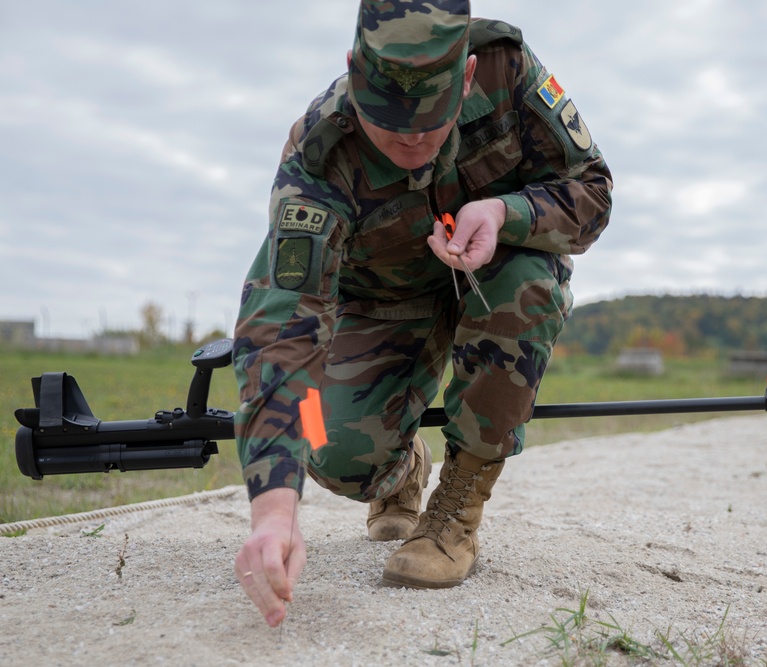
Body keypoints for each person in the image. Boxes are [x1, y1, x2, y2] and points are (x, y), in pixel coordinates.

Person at [232, 0, 612, 628]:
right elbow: (281, 329)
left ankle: (456, 508)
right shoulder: (320, 154)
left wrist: (502, 213)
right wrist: (274, 511)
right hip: (382, 305)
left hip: (493, 277)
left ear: (465, 77)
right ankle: (401, 469)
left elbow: (592, 193)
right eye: (389, 124)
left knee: (527, 283)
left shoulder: (505, 70)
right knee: (324, 442)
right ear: (355, 72)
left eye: (430, 123)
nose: (411, 139)